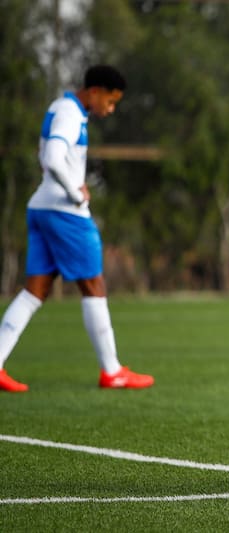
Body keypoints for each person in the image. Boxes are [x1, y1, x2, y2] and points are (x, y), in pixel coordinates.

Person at [0, 65, 154, 392]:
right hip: (65, 212)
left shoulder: (62, 107)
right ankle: (112, 371)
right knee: (94, 285)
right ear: (94, 91)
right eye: (110, 102)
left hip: (42, 207)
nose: (110, 110)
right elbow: (53, 158)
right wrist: (75, 192)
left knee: (35, 290)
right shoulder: (70, 114)